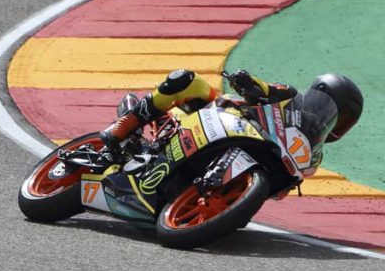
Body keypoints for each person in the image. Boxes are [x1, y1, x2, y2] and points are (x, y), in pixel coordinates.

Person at [95, 68, 363, 166]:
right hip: (220, 116)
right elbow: (264, 88)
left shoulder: (313, 155)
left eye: (343, 122)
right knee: (188, 80)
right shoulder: (290, 96)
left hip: (245, 147)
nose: (334, 123)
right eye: (337, 115)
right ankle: (124, 126)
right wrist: (247, 82)